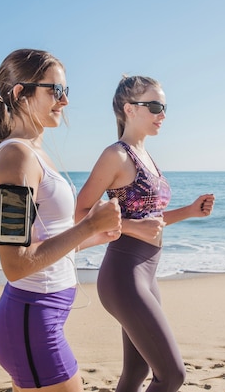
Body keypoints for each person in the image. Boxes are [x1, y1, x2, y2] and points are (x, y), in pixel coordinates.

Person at [0, 49, 122, 392]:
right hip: (31, 321)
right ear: (20, 93)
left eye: (66, 91)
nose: (65, 101)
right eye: (55, 91)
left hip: (41, 318)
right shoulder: (16, 157)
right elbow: (15, 265)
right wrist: (88, 225)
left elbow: (45, 240)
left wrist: (94, 236)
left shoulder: (34, 153)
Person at [75, 75, 215, 392]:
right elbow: (81, 213)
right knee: (173, 374)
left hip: (146, 277)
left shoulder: (147, 157)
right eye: (154, 106)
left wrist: (190, 211)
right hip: (123, 276)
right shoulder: (117, 155)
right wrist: (133, 226)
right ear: (130, 109)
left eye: (164, 107)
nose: (162, 114)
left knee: (136, 372)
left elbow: (150, 220)